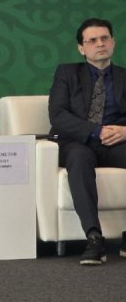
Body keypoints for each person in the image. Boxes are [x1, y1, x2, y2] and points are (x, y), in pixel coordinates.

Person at [48, 18, 126, 265]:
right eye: (92, 40)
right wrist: (96, 131)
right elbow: (58, 115)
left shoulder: (124, 76)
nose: (100, 44)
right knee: (79, 158)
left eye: (104, 38)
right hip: (77, 141)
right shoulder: (67, 73)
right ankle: (94, 237)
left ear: (112, 42)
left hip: (117, 142)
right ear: (82, 48)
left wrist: (125, 131)